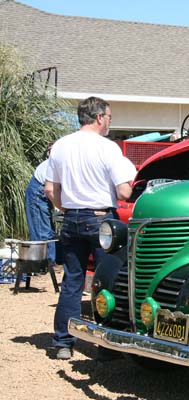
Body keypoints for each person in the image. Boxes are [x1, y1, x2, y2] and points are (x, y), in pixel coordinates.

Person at [45, 96, 136, 360]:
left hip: (71, 219)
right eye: (109, 117)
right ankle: (107, 344)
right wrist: (131, 188)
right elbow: (124, 191)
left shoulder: (61, 146)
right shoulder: (108, 148)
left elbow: (50, 188)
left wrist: (66, 208)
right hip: (101, 221)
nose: (109, 122)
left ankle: (63, 342)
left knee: (72, 280)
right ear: (99, 117)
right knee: (107, 281)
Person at [25, 146, 57, 266]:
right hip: (38, 190)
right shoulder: (59, 161)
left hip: (43, 188)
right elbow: (50, 189)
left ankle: (49, 261)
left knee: (45, 229)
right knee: (41, 230)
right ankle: (43, 264)